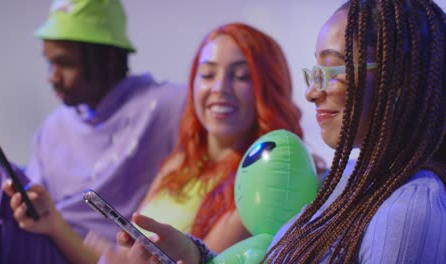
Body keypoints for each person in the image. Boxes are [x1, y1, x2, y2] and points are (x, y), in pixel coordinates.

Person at [86, 0, 445, 263]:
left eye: (331, 71)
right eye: (314, 72)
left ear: (399, 80)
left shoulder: (410, 209)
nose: (312, 91)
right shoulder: (346, 181)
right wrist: (196, 256)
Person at [0, 0, 185, 263]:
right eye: (50, 64)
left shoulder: (167, 105)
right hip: (49, 238)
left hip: (98, 254)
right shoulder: (52, 127)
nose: (52, 77)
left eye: (65, 64)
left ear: (108, 58)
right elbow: (35, 207)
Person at [114, 22, 317, 253]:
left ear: (269, 90)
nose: (220, 87)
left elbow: (208, 258)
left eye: (241, 76)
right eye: (207, 74)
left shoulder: (262, 177)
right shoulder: (179, 164)